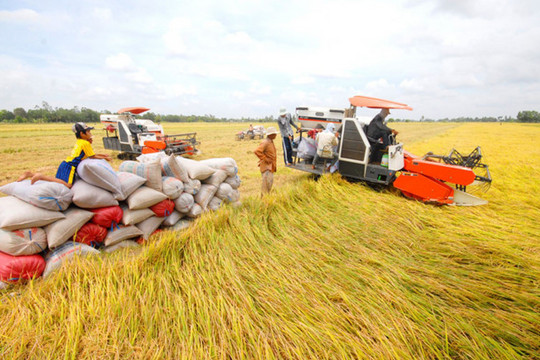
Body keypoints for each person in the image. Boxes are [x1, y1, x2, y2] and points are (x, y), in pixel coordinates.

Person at [18, 122, 112, 188]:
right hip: (70, 167)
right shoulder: (85, 143)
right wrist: (105, 158)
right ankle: (40, 176)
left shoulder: (80, 142)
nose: (90, 133)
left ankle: (30, 174)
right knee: (68, 185)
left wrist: (104, 155)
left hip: (65, 164)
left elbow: (91, 154)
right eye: (88, 132)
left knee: (58, 182)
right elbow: (92, 157)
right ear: (82, 133)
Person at [254, 126, 278, 195]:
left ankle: (266, 200)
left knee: (269, 185)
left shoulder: (270, 141)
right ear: (270, 135)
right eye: (274, 134)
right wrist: (265, 158)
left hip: (270, 167)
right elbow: (257, 151)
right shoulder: (266, 142)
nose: (276, 135)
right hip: (266, 167)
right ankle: (264, 202)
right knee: (265, 187)